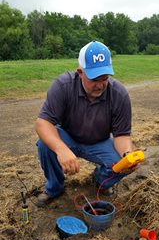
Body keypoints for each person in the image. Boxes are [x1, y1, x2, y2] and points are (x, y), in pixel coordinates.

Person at [35, 40, 140, 207]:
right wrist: (62, 150)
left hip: (100, 142)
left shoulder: (119, 94)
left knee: (119, 164)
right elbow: (43, 123)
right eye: (94, 79)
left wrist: (127, 156)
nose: (100, 85)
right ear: (80, 72)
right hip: (68, 138)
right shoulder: (62, 86)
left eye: (105, 79)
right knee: (45, 144)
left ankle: (100, 181)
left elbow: (121, 135)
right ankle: (54, 188)